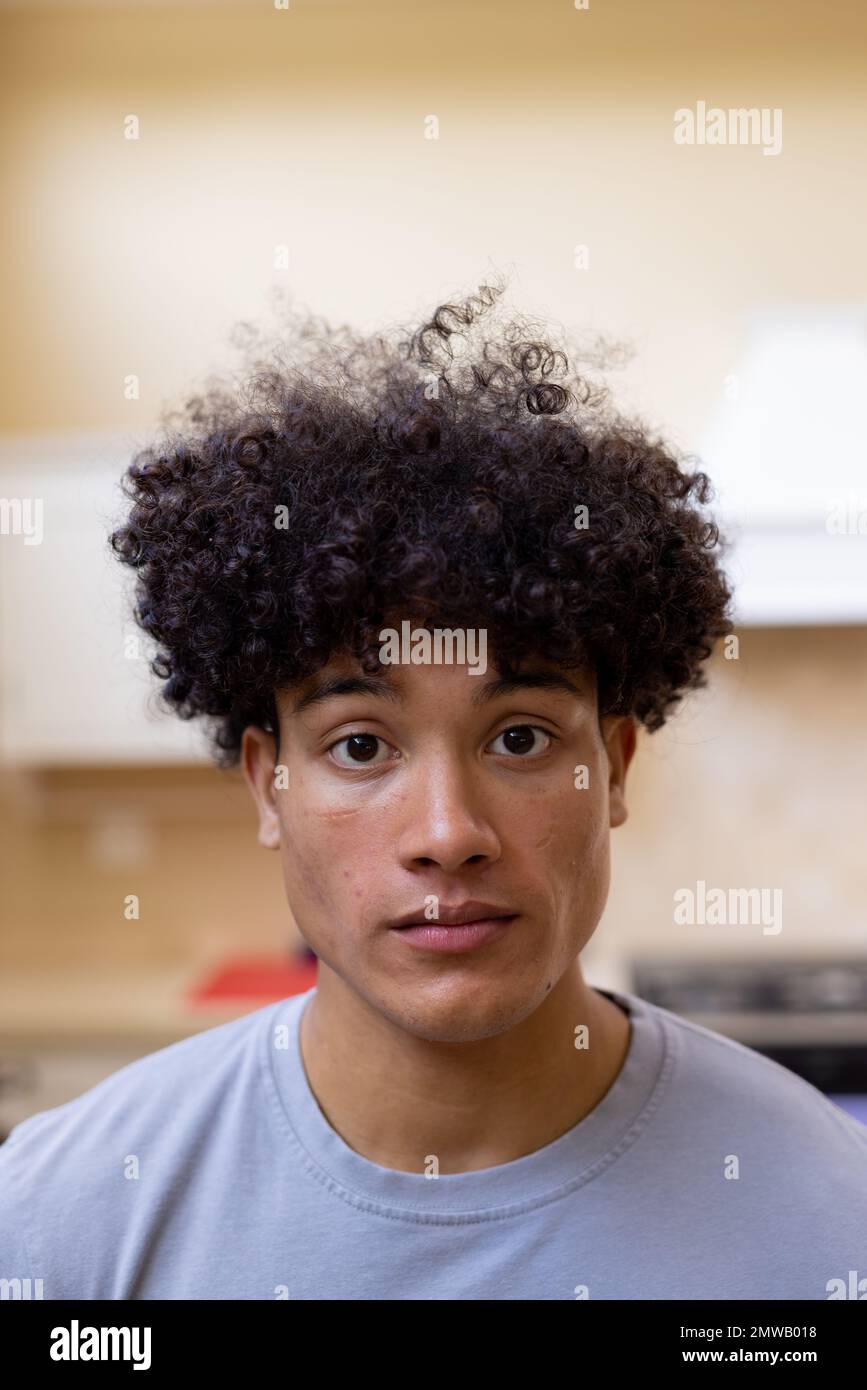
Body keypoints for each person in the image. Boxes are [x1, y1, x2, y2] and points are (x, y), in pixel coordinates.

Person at [1, 283, 865, 1301]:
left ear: (617, 767)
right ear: (267, 784)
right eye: (361, 744)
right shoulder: (59, 1222)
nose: (449, 834)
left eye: (521, 736)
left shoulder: (826, 1216)